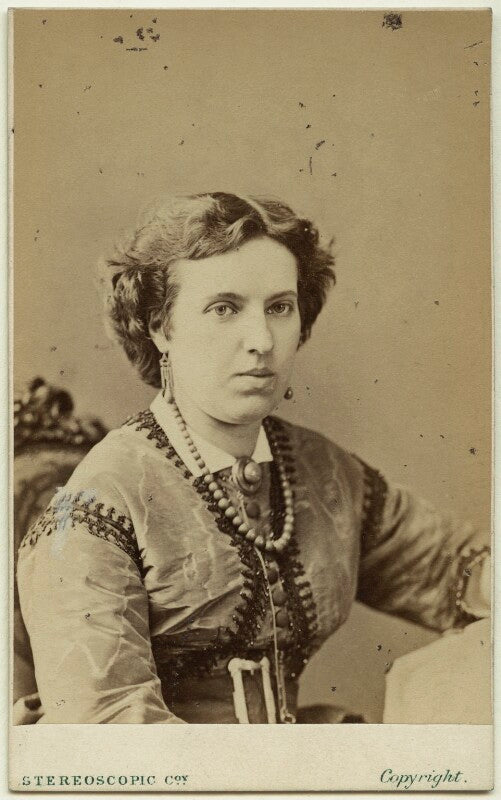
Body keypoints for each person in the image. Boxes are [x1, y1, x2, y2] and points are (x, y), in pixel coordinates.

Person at [16, 192, 490, 724]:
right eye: (224, 309)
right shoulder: (99, 505)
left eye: (279, 308)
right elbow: (106, 726)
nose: (262, 340)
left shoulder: (321, 468)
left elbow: (454, 565)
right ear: (160, 327)